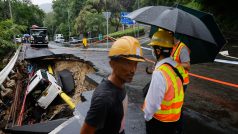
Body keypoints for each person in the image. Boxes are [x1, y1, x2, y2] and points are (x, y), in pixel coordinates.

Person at [80, 36, 145, 134]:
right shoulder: (104, 99)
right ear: (112, 64)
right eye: (128, 63)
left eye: (135, 64)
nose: (133, 70)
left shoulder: (120, 84)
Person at [143, 30, 186, 134]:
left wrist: (147, 117)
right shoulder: (177, 66)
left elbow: (152, 104)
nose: (152, 51)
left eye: (153, 48)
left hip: (160, 122)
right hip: (175, 118)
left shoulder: (160, 72)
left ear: (158, 51)